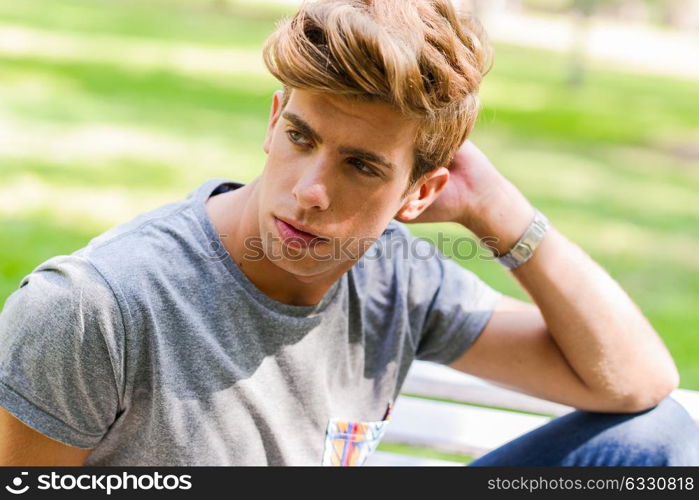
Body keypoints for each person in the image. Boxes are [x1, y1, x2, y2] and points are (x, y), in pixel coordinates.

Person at [0, 0, 697, 467]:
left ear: (420, 192)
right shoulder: (92, 310)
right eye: (301, 137)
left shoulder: (395, 276)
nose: (309, 191)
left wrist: (499, 212)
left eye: (361, 166)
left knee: (654, 443)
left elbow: (635, 384)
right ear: (274, 120)